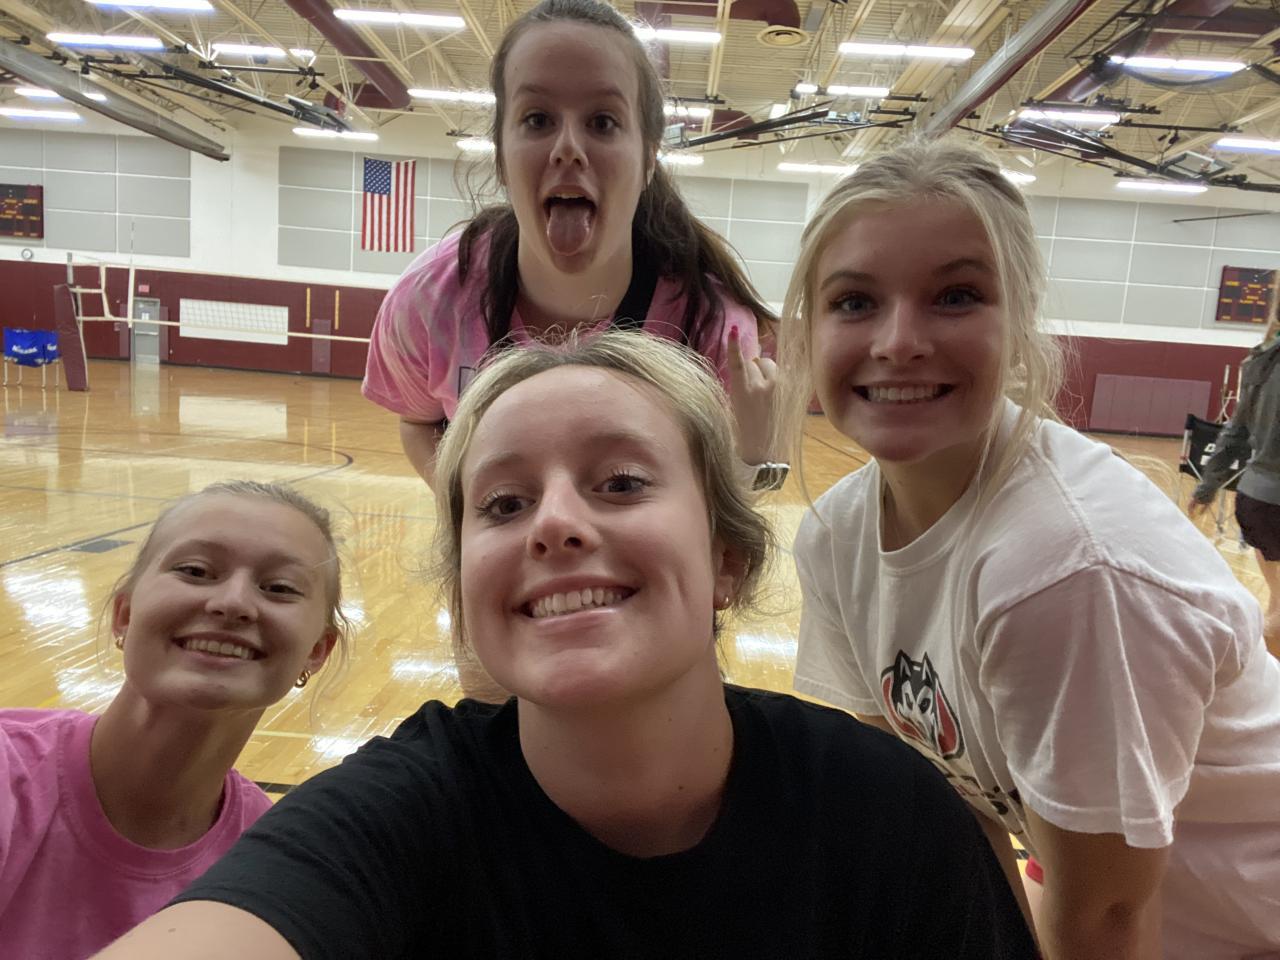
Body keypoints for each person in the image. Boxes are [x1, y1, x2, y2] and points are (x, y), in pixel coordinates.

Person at [95, 331, 1036, 960]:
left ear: (728, 559)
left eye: (620, 482)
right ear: (465, 592)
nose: (553, 524)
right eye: (504, 504)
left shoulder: (887, 819)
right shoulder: (397, 816)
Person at [778, 137, 1280, 960]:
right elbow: (947, 810)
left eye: (956, 296)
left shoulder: (1066, 569)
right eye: (854, 301)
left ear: (1018, 325)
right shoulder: (836, 537)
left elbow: (1108, 917)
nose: (898, 340)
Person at [361, 0, 781, 492]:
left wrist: (752, 459)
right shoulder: (430, 300)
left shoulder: (712, 327)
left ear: (649, 158)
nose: (568, 149)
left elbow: (725, 502)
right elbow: (419, 422)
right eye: (538, 119)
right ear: (501, 155)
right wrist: (480, 510)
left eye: (602, 122)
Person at [0, 480, 346, 960]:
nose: (233, 602)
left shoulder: (269, 862)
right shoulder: (9, 774)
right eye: (195, 571)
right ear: (124, 614)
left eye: (279, 588)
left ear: (317, 651)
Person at [1191, 311, 1280, 649]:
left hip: (1256, 498)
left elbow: (1235, 430)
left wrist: (1207, 485)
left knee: (1275, 599)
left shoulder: (1260, 360)